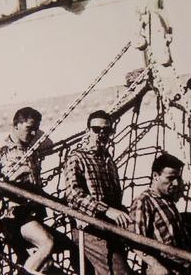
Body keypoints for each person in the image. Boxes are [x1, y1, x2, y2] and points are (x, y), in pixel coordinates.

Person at [0, 107, 55, 272]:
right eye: (29, 128)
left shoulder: (33, 148)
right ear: (15, 126)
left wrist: (34, 131)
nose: (33, 133)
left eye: (35, 129)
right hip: (14, 214)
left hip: (33, 213)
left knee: (46, 264)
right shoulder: (1, 150)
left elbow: (50, 144)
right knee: (47, 242)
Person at [64, 110, 133, 274]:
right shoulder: (77, 157)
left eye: (106, 130)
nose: (101, 134)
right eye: (96, 129)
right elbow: (73, 194)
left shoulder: (108, 160)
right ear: (88, 131)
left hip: (111, 229)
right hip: (90, 230)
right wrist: (107, 210)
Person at [129, 153, 189, 275]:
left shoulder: (168, 199)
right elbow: (135, 241)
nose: (176, 183)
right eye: (170, 178)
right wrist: (155, 265)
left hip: (183, 267)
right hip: (163, 269)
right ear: (155, 176)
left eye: (178, 178)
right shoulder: (143, 201)